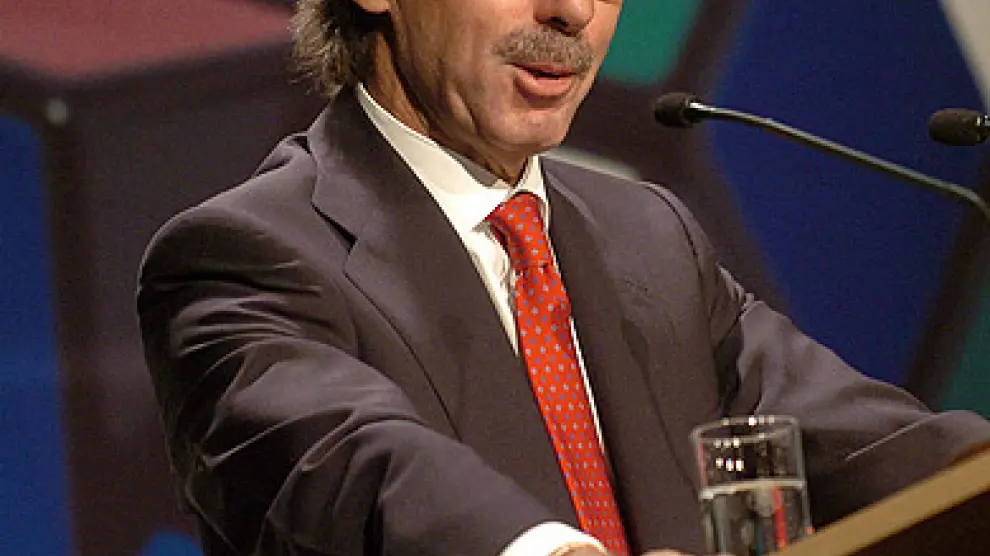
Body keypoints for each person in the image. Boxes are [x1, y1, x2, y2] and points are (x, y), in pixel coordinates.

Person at [136, 0, 990, 555]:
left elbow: (870, 446)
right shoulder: (241, 258)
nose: (573, 12)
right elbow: (356, 470)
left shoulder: (647, 236)